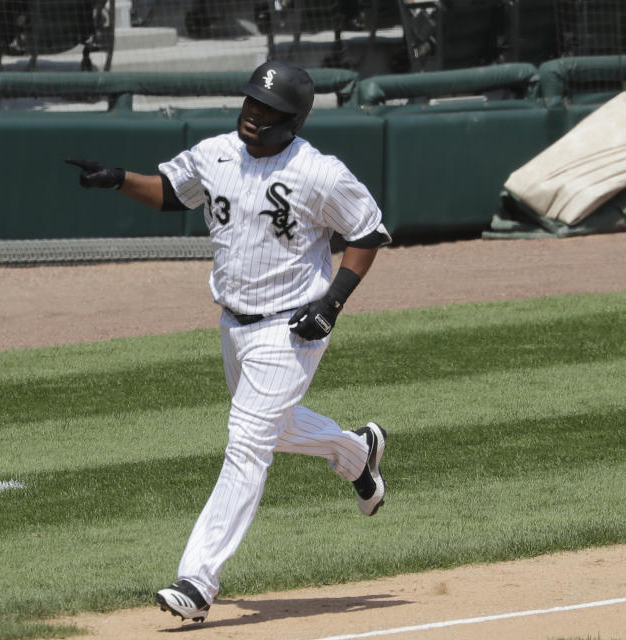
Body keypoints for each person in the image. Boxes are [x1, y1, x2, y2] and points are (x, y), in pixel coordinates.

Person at [66, 59, 391, 623]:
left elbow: (368, 232)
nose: (252, 113)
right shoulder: (216, 154)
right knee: (274, 425)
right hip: (232, 324)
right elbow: (171, 192)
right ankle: (355, 452)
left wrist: (331, 303)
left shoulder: (320, 173)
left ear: (292, 119)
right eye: (249, 102)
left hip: (291, 328)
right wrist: (120, 179)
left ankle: (197, 579)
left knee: (246, 443)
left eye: (266, 109)